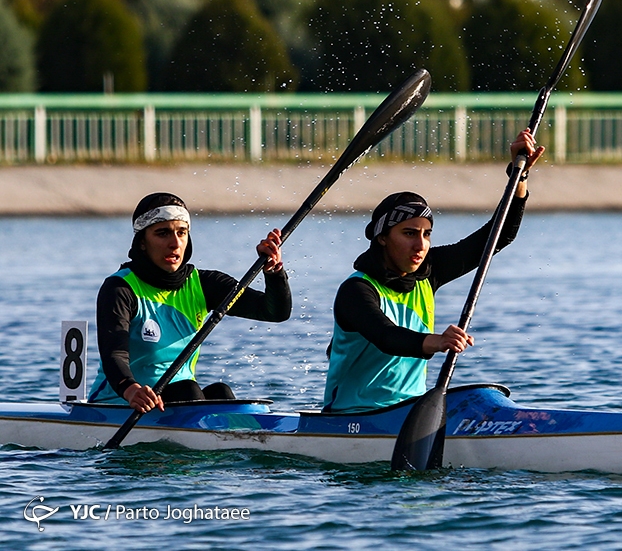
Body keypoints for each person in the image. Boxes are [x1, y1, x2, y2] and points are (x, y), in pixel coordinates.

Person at [323, 129, 544, 414]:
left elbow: (497, 237)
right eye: (409, 233)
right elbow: (386, 337)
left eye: (427, 234)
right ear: (382, 237)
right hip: (353, 416)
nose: (421, 245)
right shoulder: (356, 290)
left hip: (411, 412)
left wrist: (519, 175)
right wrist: (438, 342)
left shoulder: (429, 272)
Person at [89, 192, 292, 412]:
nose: (175, 243)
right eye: (162, 233)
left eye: (181, 232)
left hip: (179, 400)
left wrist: (273, 273)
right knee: (189, 391)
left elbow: (274, 312)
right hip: (122, 404)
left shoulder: (205, 284)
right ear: (143, 242)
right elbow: (114, 355)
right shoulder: (120, 288)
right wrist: (131, 390)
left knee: (221, 393)